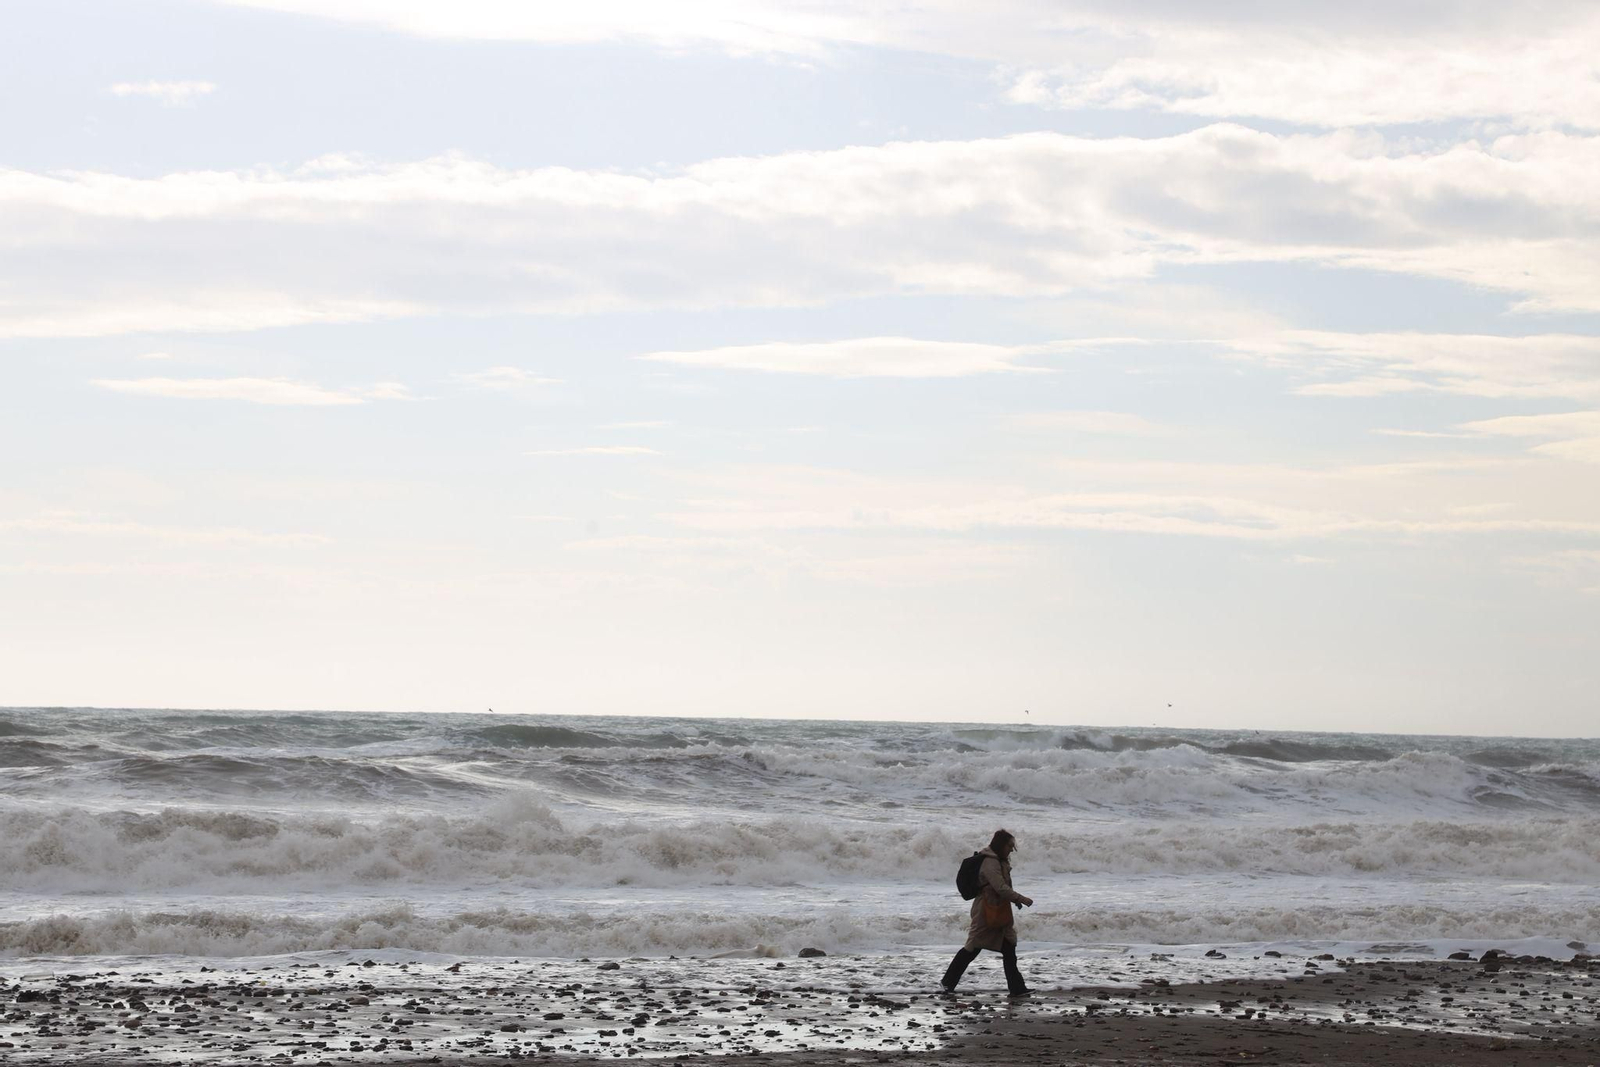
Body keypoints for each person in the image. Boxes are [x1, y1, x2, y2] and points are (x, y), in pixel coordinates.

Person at [941, 828, 1033, 996]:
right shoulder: (990, 862)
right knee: (972, 947)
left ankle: (1017, 989)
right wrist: (1021, 899)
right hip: (985, 911)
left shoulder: (1000, 860)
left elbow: (1004, 887)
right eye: (1009, 846)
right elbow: (1000, 887)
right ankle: (947, 983)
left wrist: (1015, 901)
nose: (1012, 849)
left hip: (999, 910)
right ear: (1001, 845)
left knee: (1009, 947)